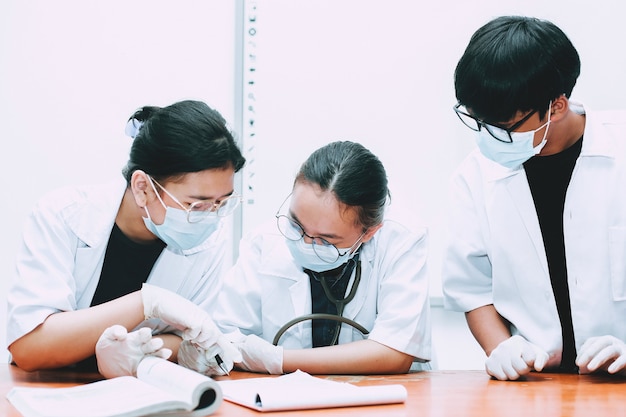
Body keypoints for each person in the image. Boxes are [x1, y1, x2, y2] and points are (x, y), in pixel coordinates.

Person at [442, 15, 626, 381]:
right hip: (539, 383)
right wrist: (500, 347)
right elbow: (473, 288)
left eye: (503, 125)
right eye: (478, 120)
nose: (487, 136)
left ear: (556, 107)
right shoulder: (475, 176)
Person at [7, 99, 245, 377]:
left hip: (144, 392)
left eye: (222, 203)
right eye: (197, 204)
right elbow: (29, 347)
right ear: (142, 187)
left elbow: (197, 339)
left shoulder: (208, 239)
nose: (211, 217)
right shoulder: (63, 215)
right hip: (52, 388)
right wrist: (145, 303)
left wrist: (142, 350)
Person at [192, 141, 430, 375]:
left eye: (326, 240)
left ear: (369, 232)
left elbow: (394, 353)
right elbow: (227, 336)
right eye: (297, 225)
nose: (305, 243)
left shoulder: (402, 240)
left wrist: (279, 360)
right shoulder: (263, 242)